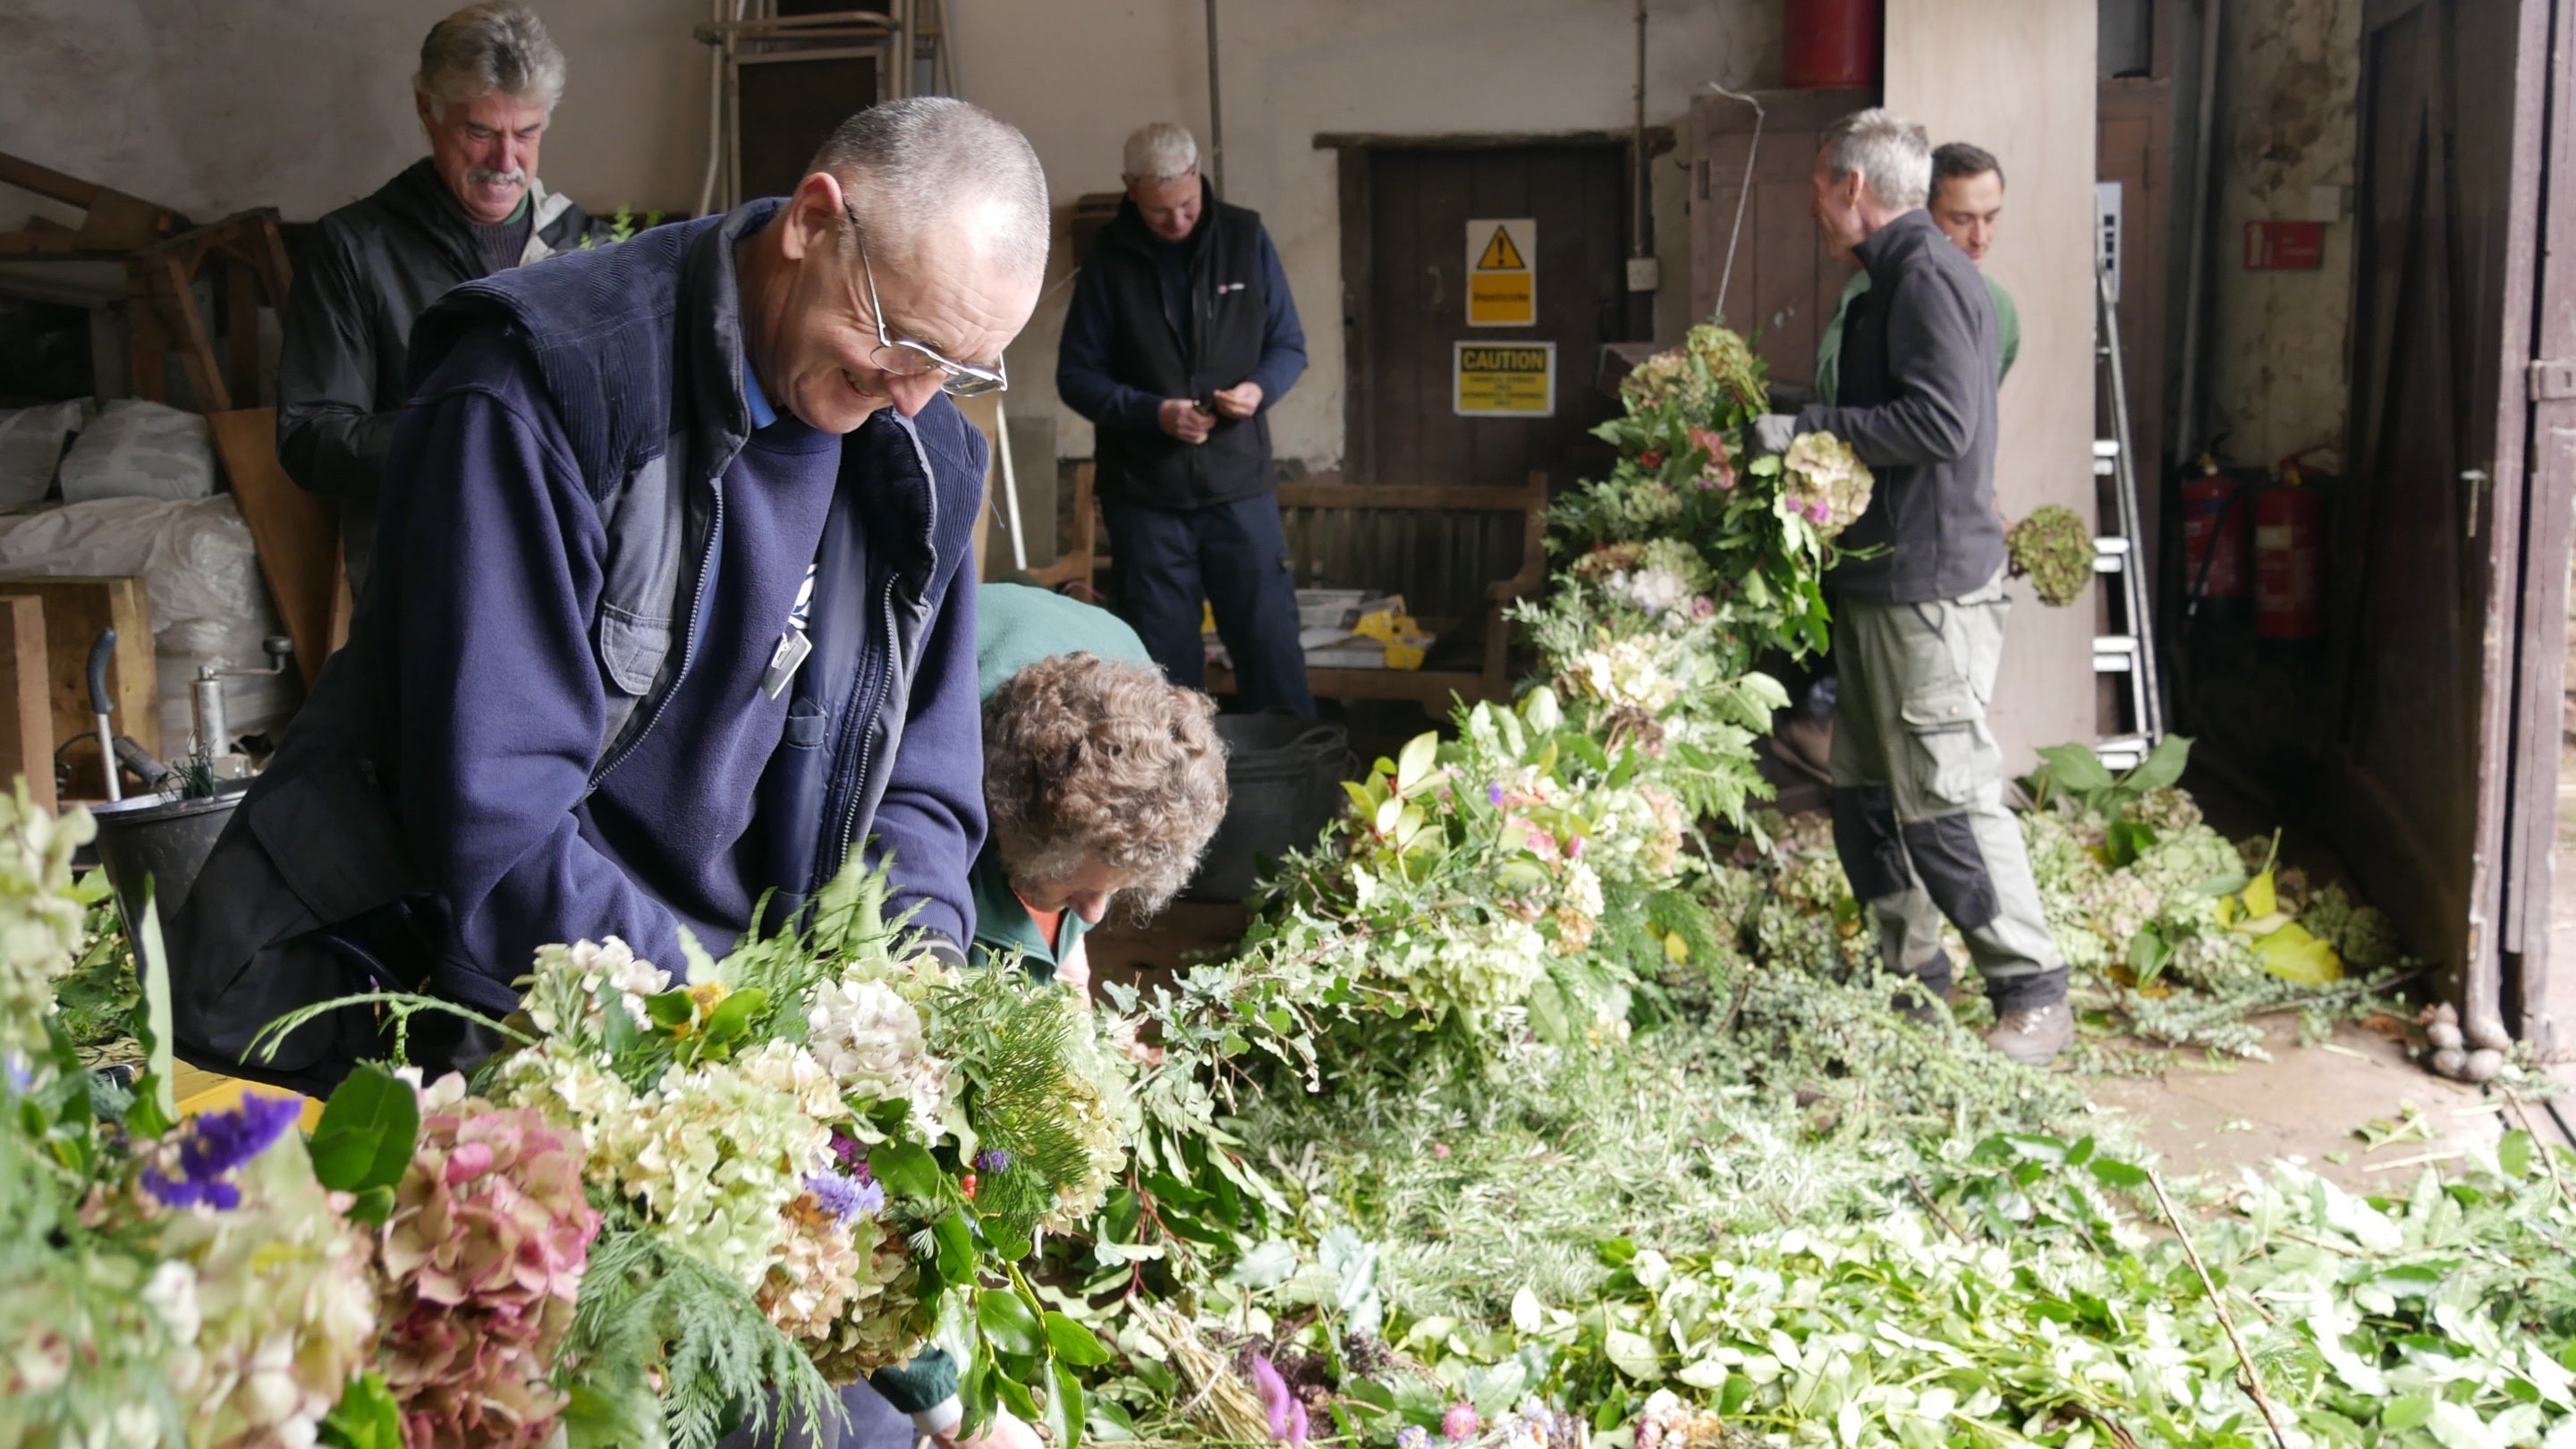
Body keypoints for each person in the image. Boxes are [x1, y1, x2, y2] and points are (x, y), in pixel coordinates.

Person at [174, 97, 1046, 1099]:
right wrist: (739, 1033)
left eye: (960, 368)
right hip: (436, 994)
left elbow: (922, 788)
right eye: (903, 338)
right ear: (812, 222)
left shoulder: (922, 457)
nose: (913, 395)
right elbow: (495, 822)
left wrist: (908, 1001)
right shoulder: (543, 390)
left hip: (718, 1010)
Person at [1747, 109, 2072, 1066]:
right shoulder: (1889, 283)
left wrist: (1810, 431)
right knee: (1868, 795)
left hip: (1928, 585)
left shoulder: (1930, 278)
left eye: (1818, 187)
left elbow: (1937, 425)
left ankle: (2033, 992)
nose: (1814, 204)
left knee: (1948, 794)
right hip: (1877, 580)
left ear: (1853, 188)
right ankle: (1912, 982)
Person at [276, 2, 610, 599]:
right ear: (426, 111)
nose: (505, 162)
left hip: (568, 580)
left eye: (526, 134)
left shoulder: (586, 247)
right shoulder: (355, 248)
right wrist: (470, 430)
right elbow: (311, 440)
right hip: (425, 584)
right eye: (479, 132)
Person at [1057, 122, 1314, 716]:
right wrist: (1154, 414)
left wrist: (1258, 389)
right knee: (1164, 674)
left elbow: (1289, 346)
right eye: (1159, 211)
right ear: (1129, 190)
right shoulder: (1108, 259)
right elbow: (1077, 377)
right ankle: (1175, 805)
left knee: (1270, 649)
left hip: (1239, 490)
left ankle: (1297, 794)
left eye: (1187, 205)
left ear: (1199, 175)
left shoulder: (1245, 237)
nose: (1177, 220)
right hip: (1146, 500)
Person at [971, 582, 1228, 991]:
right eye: (1081, 889)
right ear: (1010, 818)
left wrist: (1068, 950)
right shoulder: (943, 751)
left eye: (1111, 890)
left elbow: (1097, 831)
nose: (1094, 914)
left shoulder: (1145, 696)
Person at [1812, 142, 2020, 407]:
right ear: (1925, 214)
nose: (1980, 238)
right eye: (1961, 220)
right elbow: (1833, 390)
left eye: (1990, 219)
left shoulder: (2002, 307)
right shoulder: (1868, 289)